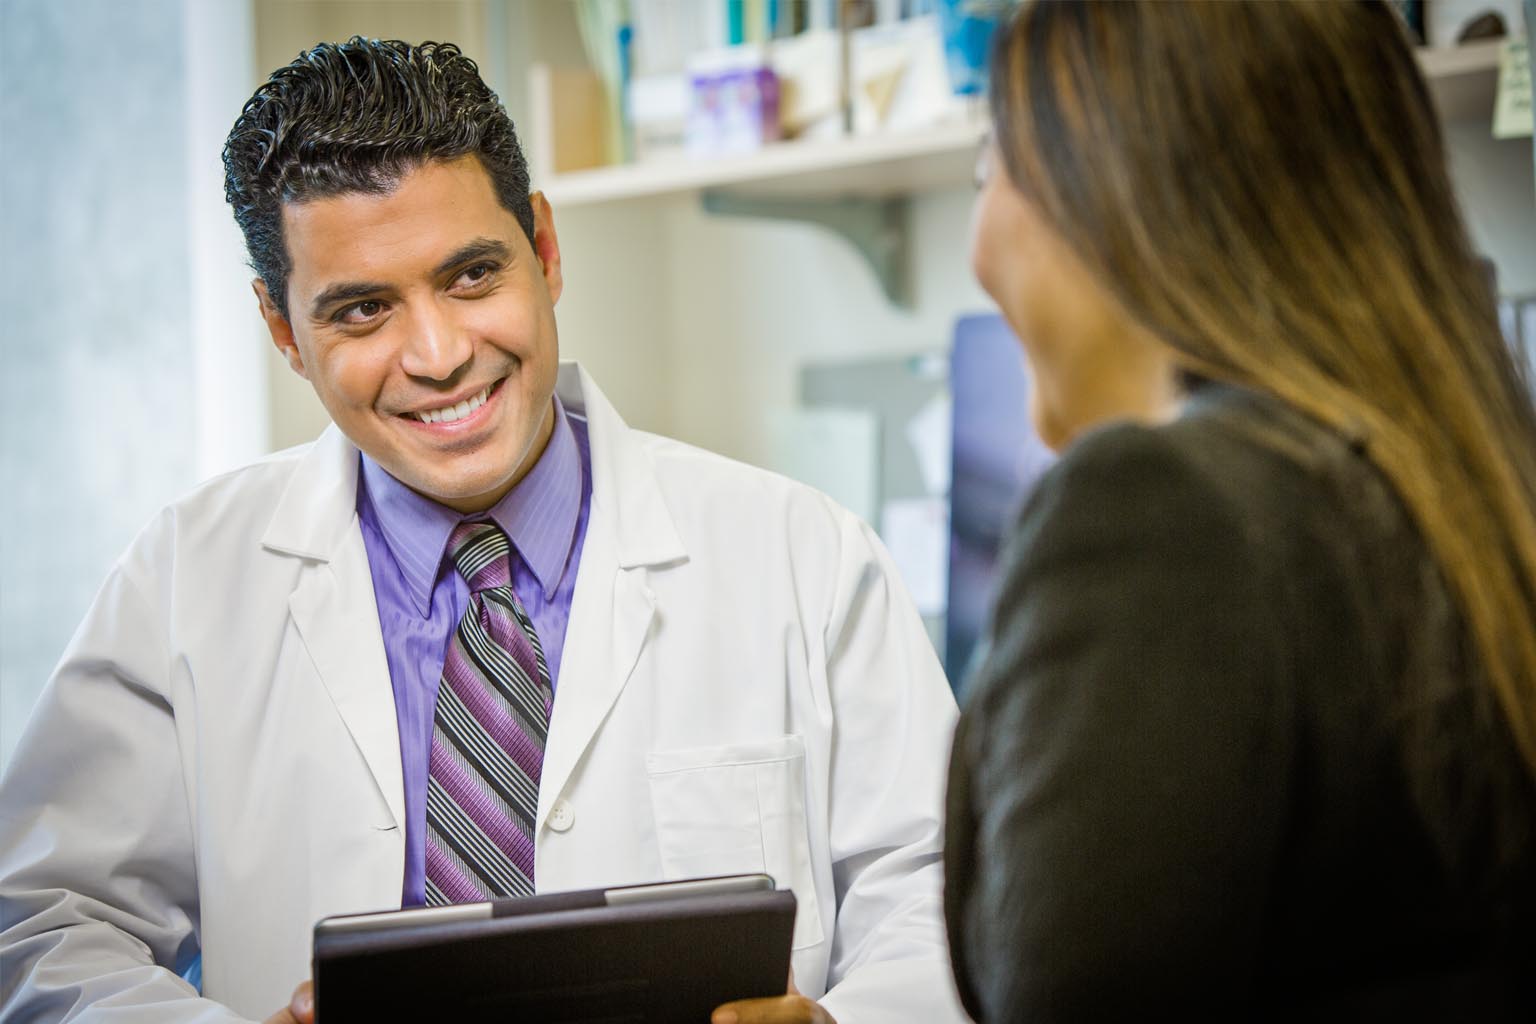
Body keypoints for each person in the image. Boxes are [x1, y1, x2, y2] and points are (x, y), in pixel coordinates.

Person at [0, 38, 966, 1024]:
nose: (440, 354)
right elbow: (45, 920)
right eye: (363, 310)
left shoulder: (803, 558)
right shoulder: (185, 582)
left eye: (470, 276)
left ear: (544, 250)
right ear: (285, 331)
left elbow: (942, 895)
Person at [944, 1, 1536, 1019]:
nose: (977, 243)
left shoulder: (1165, 518)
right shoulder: (1470, 481)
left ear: (1113, 191)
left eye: (990, 166)